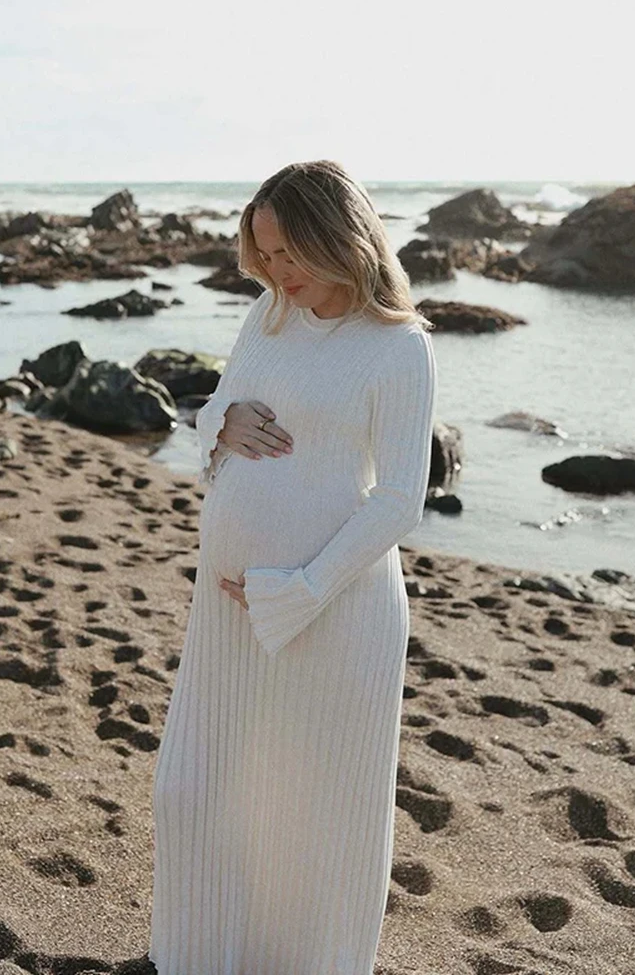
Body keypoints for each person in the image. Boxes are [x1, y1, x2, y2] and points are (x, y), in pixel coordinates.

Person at [149, 159, 438, 975]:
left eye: (290, 254)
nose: (278, 271)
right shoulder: (267, 316)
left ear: (338, 236)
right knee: (197, 792)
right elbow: (218, 415)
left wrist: (297, 589)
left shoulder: (400, 348)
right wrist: (220, 419)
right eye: (266, 256)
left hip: (335, 609)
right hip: (227, 611)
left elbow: (399, 500)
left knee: (313, 813)